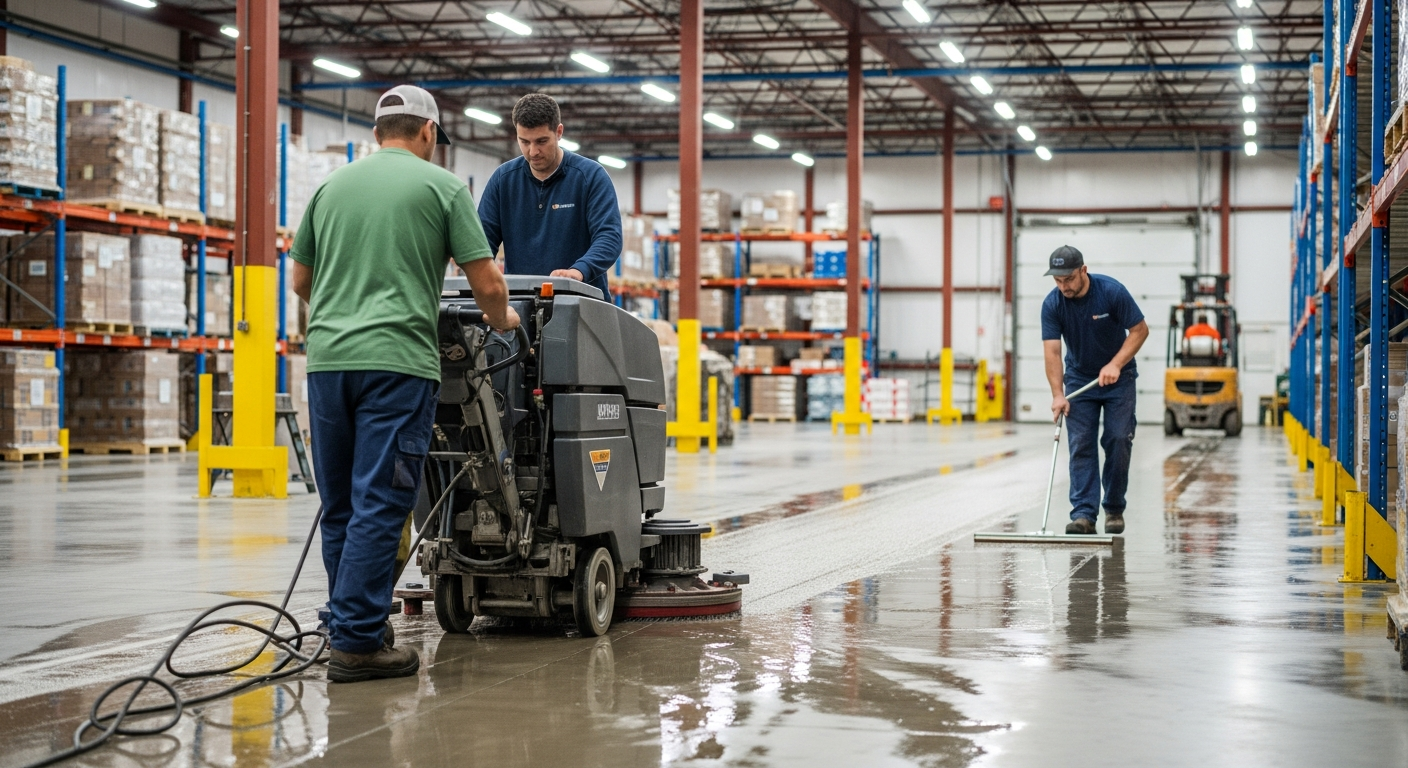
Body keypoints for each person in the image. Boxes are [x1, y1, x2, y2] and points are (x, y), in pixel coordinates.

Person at [291, 84, 520, 683]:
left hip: (327, 363)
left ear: (375, 133)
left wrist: (348, 311)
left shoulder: (330, 187)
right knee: (381, 503)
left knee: (339, 504)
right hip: (396, 365)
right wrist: (508, 322)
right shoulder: (442, 188)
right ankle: (359, 644)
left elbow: (299, 281)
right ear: (426, 133)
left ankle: (348, 623)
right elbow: (487, 286)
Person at [1041, 245, 1149, 535]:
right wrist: (1057, 395)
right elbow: (1052, 352)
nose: (1063, 286)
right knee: (1081, 445)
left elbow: (1140, 330)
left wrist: (1115, 364)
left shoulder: (1111, 292)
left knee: (1117, 439)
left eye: (1069, 279)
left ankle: (1113, 507)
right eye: (1058, 280)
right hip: (1079, 381)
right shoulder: (1052, 304)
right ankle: (1083, 515)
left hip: (1120, 378)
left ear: (1083, 271)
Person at [477, 93, 623, 297]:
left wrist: (579, 271)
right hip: (521, 304)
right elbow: (482, 241)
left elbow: (609, 237)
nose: (533, 151)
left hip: (581, 303)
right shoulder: (503, 180)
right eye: (524, 142)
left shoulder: (590, 177)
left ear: (559, 131)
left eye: (541, 141)